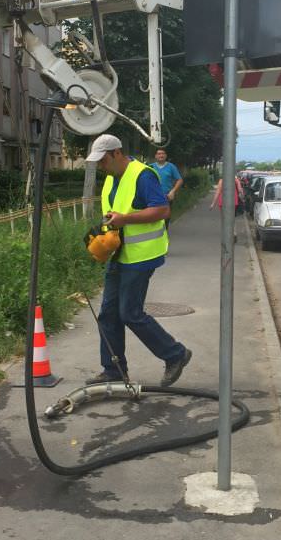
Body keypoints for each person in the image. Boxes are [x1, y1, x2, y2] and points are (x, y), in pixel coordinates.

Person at [84, 134, 192, 387]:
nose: (101, 166)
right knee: (108, 313)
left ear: (117, 153)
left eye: (103, 160)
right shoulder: (112, 178)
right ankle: (113, 370)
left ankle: (176, 354)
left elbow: (162, 209)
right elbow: (114, 213)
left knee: (129, 313)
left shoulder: (143, 175)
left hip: (142, 255)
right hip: (121, 255)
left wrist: (125, 219)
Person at [153, 148, 183, 228]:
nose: (161, 155)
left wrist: (173, 191)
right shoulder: (150, 167)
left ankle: (164, 235)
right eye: (159, 154)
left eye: (163, 153)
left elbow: (179, 180)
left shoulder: (171, 167)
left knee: (165, 218)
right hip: (153, 197)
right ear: (156, 156)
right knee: (154, 218)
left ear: (166, 156)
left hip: (167, 197)